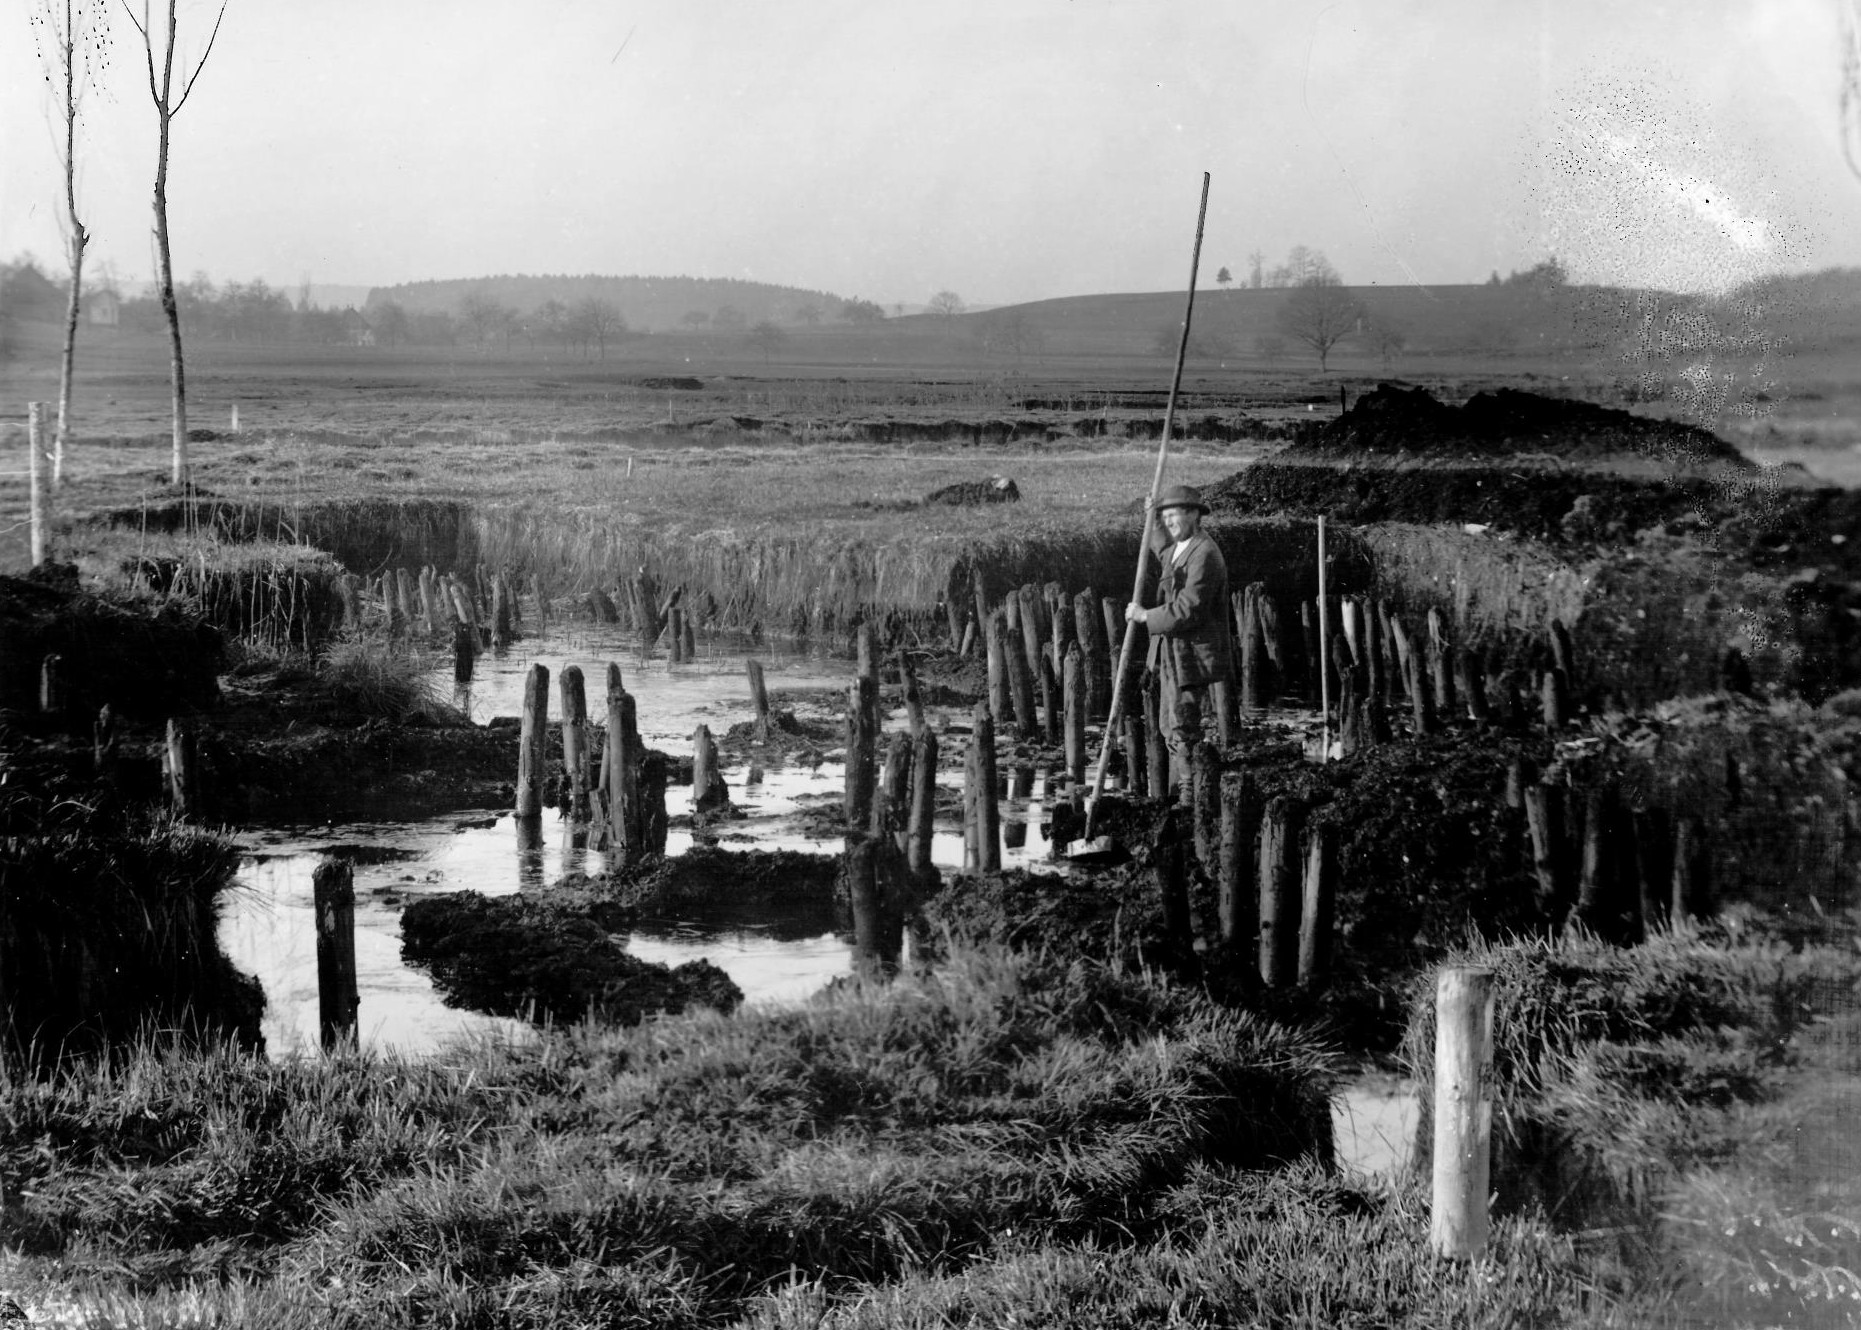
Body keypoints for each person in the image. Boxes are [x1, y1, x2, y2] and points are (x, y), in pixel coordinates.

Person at [1125, 484, 1233, 791]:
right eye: (1167, 516)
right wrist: (1152, 519)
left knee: (1182, 723)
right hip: (1174, 648)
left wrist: (1146, 616)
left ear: (1195, 516)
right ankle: (1183, 786)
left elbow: (1190, 608)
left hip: (1193, 652)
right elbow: (1161, 548)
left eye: (1175, 516)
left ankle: (1190, 794)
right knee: (1168, 723)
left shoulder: (1205, 554)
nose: (1171, 522)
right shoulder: (1179, 546)